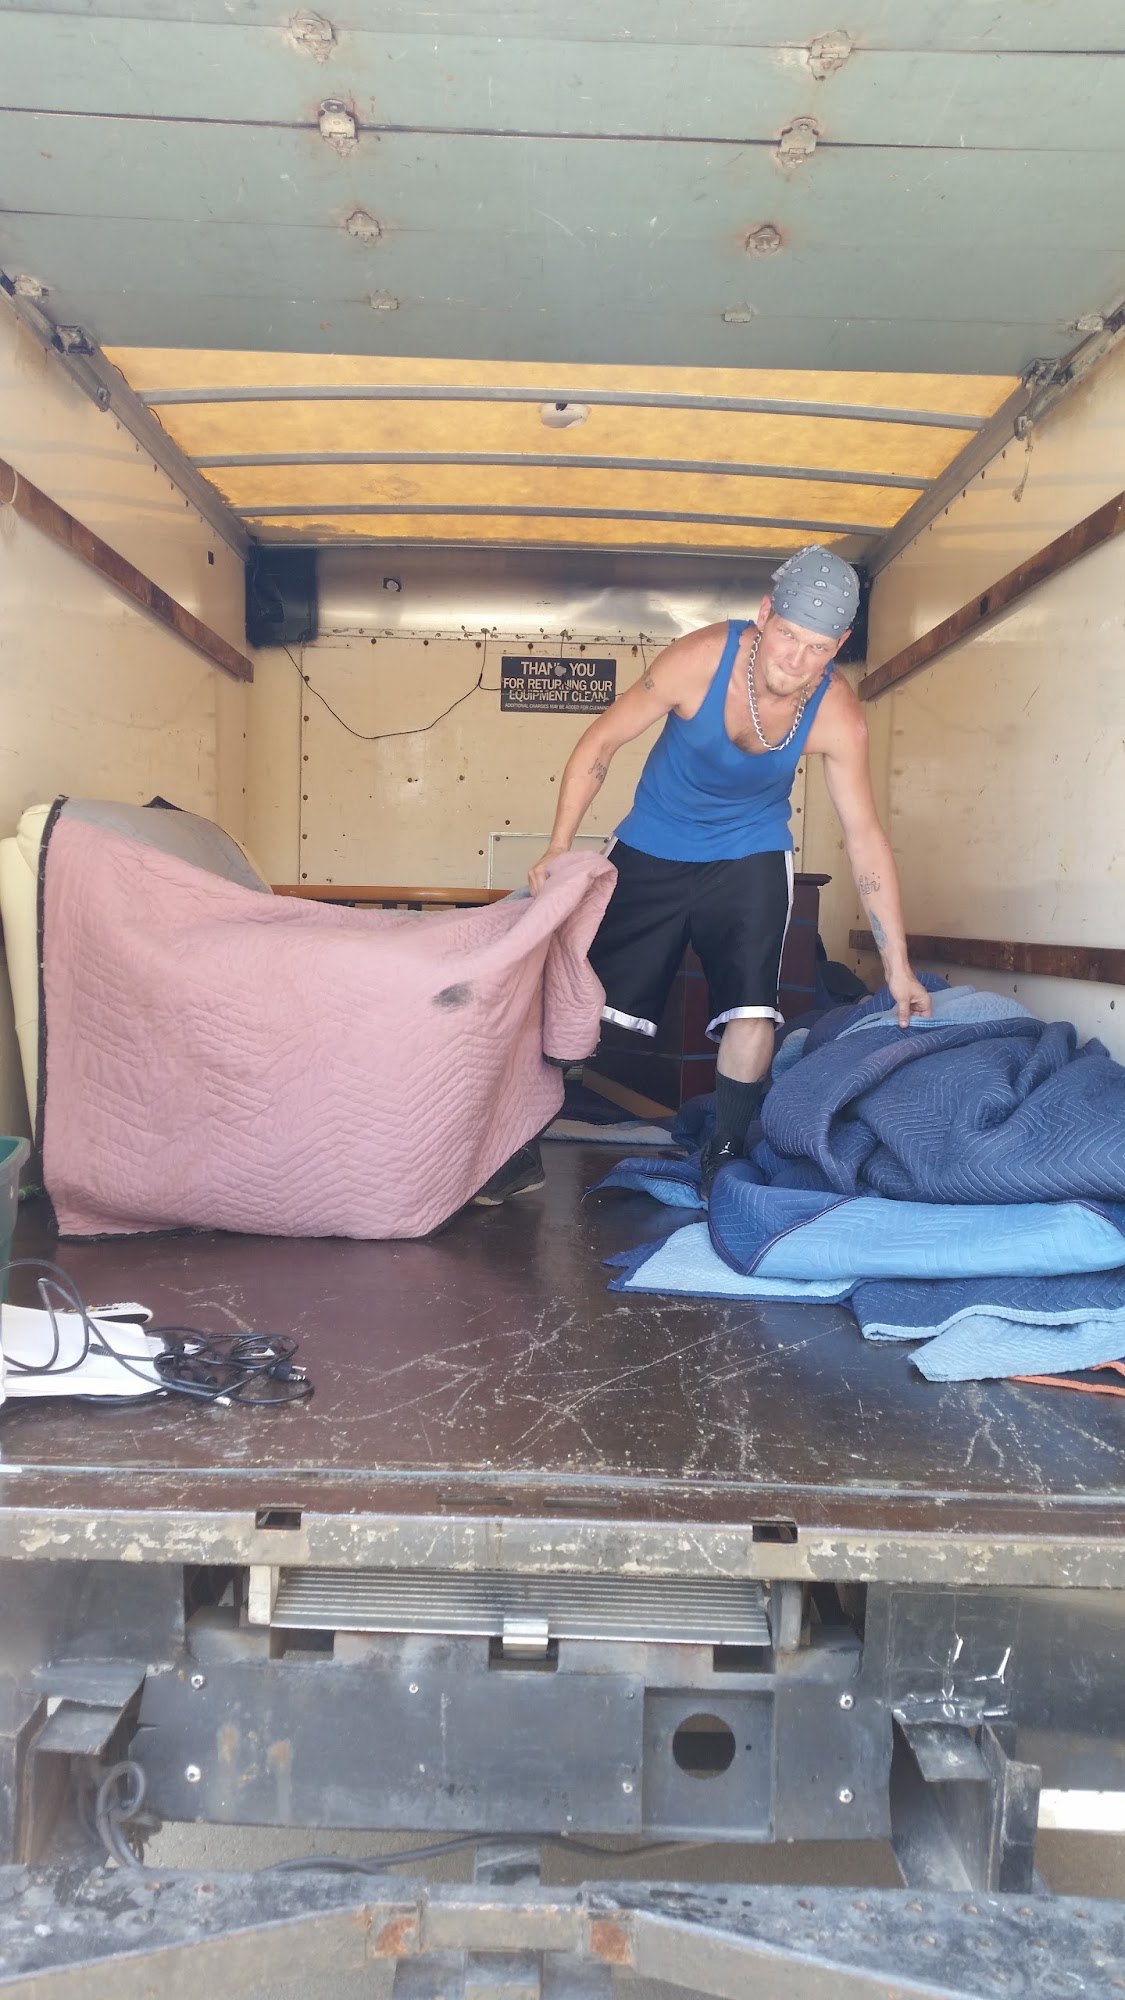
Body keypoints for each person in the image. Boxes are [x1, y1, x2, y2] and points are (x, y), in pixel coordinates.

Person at [528, 544, 932, 1195]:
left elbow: (864, 837)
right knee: (577, 991)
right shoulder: (700, 659)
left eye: (817, 648)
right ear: (765, 614)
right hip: (653, 839)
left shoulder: (836, 713)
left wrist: (897, 965)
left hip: (750, 850)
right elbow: (602, 740)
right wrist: (558, 845)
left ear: (839, 646)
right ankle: (518, 1137)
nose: (795, 660)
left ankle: (724, 1149)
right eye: (788, 636)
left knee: (752, 1008)